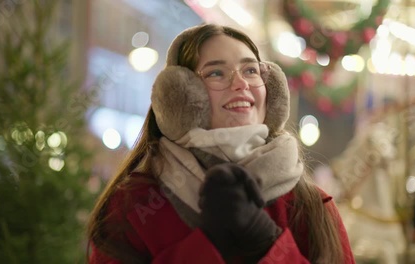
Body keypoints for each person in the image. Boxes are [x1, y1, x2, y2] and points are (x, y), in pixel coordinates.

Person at [87, 24, 355, 264]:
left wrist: (266, 243)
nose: (241, 84)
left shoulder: (312, 205)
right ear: (180, 95)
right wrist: (207, 243)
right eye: (216, 72)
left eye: (251, 70)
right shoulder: (135, 206)